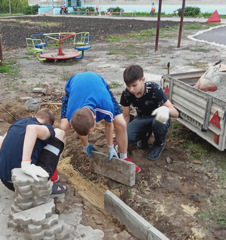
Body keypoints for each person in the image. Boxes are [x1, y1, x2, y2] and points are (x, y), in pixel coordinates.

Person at [60, 71, 141, 172]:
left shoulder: (105, 105)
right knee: (63, 128)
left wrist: (110, 147)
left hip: (97, 84)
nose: (93, 133)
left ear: (95, 117)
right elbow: (80, 128)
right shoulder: (71, 114)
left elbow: (109, 124)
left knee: (121, 123)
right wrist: (86, 146)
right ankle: (55, 160)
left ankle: (124, 157)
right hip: (74, 87)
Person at [0, 108, 67, 194]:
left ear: (33, 116)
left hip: (5, 180)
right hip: (24, 184)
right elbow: (32, 129)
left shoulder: (19, 122)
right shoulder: (45, 127)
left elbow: (2, 143)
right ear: (49, 124)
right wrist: (26, 164)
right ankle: (48, 183)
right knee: (59, 133)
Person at [120, 65, 179, 160]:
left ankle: (159, 144)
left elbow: (176, 113)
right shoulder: (126, 94)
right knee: (127, 137)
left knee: (158, 123)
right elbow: (125, 116)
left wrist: (165, 110)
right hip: (141, 118)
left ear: (142, 80)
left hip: (158, 118)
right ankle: (145, 136)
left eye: (134, 85)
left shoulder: (154, 89)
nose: (131, 89)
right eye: (128, 86)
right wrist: (122, 137)